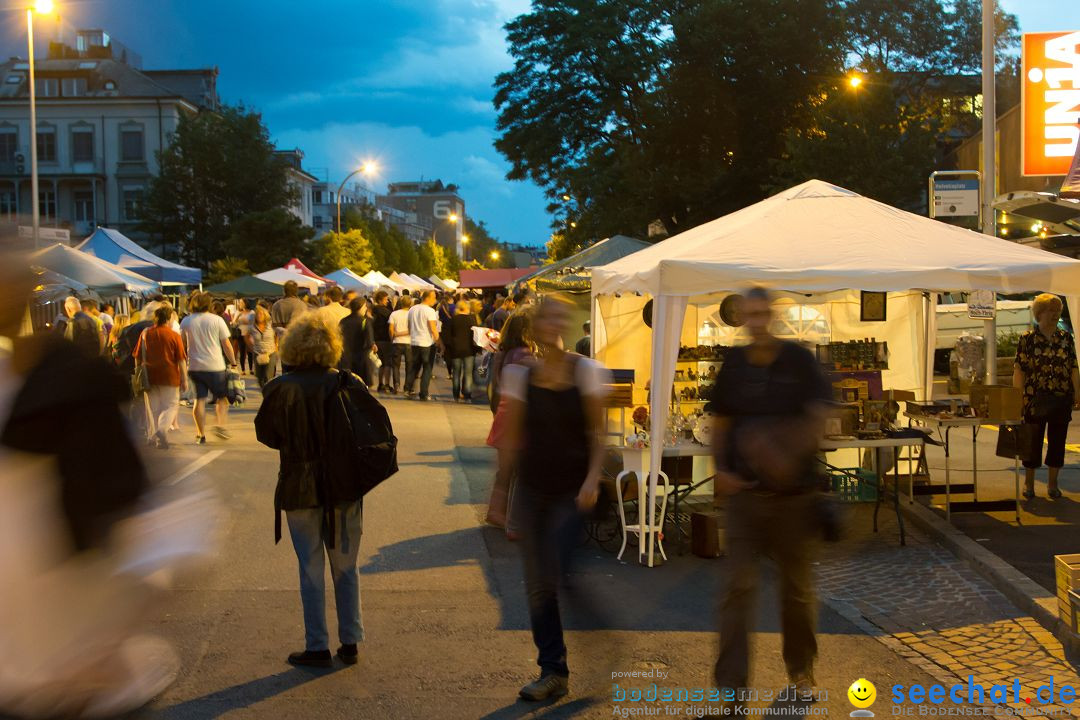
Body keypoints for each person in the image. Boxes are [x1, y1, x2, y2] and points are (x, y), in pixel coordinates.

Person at [708, 287, 831, 698]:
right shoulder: (735, 364)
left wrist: (784, 453)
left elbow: (820, 417)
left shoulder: (798, 359)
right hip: (744, 497)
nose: (757, 321)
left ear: (772, 314)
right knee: (737, 589)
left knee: (795, 590)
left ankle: (801, 672)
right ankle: (730, 686)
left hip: (794, 498)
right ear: (742, 317)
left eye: (763, 313)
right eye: (751, 314)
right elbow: (720, 422)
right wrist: (720, 471)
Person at [500, 294, 610, 701]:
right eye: (545, 317)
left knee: (559, 573)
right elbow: (512, 437)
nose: (552, 323)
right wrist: (502, 491)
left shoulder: (586, 372)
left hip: (570, 491)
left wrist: (593, 479)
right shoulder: (520, 376)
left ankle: (601, 644)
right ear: (535, 325)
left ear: (565, 324)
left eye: (558, 317)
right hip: (531, 489)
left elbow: (598, 434)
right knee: (538, 585)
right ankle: (553, 671)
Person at [254, 314, 366, 669]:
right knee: (346, 565)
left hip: (298, 485)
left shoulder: (279, 387)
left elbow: (268, 436)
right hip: (344, 486)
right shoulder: (349, 382)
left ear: (292, 348)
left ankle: (316, 644)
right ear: (333, 346)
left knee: (310, 566)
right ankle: (351, 640)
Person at [1013, 293, 1080, 500]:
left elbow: (1073, 368)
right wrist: (1017, 398)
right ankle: (1029, 484)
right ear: (1039, 313)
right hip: (1034, 398)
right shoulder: (1028, 339)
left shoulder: (1065, 338)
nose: (1055, 314)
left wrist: (1078, 393)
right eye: (1051, 310)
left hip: (1061, 397)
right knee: (1032, 442)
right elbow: (1019, 370)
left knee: (1058, 442)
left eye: (1058, 310)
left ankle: (1053, 484)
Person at [485, 310, 536, 529]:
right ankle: (507, 516)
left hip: (504, 414)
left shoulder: (503, 352)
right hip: (517, 419)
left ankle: (496, 512)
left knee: (505, 471)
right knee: (520, 470)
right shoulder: (523, 354)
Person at [180, 291, 237, 444]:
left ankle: (200, 434)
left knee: (199, 400)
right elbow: (226, 344)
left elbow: (182, 344)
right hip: (215, 366)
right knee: (222, 398)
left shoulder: (186, 321)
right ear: (209, 303)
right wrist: (234, 363)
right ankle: (220, 425)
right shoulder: (217, 320)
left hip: (194, 367)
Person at [134, 305, 188, 449]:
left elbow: (138, 357)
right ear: (169, 318)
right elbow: (181, 360)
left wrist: (138, 373)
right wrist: (185, 379)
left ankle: (152, 437)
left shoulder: (146, 333)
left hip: (150, 376)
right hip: (170, 376)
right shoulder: (174, 335)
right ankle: (162, 429)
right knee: (171, 405)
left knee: (152, 408)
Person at [404, 290, 441, 401]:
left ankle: (408, 388)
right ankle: (424, 393)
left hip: (414, 342)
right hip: (427, 343)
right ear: (427, 297)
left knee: (414, 367)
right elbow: (433, 328)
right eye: (434, 297)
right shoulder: (430, 311)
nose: (435, 300)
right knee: (427, 368)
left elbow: (409, 326)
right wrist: (438, 342)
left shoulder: (412, 309)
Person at [446, 300, 478, 402]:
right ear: (467, 308)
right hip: (469, 350)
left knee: (456, 373)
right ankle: (467, 395)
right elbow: (476, 336)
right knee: (468, 374)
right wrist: (477, 349)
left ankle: (456, 395)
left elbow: (448, 336)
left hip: (456, 350)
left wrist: (448, 348)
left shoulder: (453, 319)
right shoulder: (472, 319)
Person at [340, 297, 375, 386]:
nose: (366, 308)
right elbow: (369, 342)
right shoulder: (364, 321)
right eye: (364, 306)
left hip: (345, 359)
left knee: (346, 385)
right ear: (360, 307)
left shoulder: (343, 321)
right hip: (361, 359)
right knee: (361, 386)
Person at [247, 304, 279, 390]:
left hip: (270, 353)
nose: (259, 316)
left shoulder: (271, 324)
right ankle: (265, 392)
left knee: (268, 376)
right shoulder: (252, 326)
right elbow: (246, 336)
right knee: (259, 378)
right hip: (257, 353)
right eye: (257, 314)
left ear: (265, 315)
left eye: (261, 314)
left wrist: (276, 345)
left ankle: (268, 395)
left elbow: (277, 334)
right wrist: (251, 347)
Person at [387, 296, 413, 394]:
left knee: (395, 365)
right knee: (409, 366)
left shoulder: (394, 314)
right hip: (409, 343)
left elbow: (390, 329)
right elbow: (411, 329)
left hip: (396, 342)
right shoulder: (411, 314)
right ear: (410, 304)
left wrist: (393, 337)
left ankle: (396, 385)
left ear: (400, 303)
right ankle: (407, 387)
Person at [372, 291, 394, 393]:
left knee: (380, 363)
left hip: (376, 340)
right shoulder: (387, 312)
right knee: (387, 363)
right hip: (385, 339)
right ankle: (387, 384)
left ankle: (380, 384)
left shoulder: (372, 310)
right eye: (386, 299)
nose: (387, 301)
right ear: (380, 300)